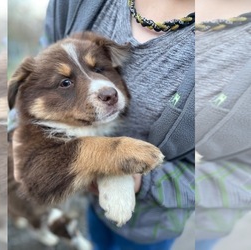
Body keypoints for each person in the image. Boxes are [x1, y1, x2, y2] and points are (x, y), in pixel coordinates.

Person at [43, 0, 195, 249]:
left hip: (151, 225)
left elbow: (231, 175)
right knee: (96, 240)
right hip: (93, 204)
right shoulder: (74, 5)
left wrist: (137, 179)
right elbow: (38, 73)